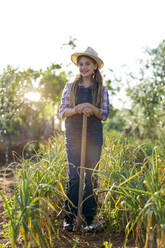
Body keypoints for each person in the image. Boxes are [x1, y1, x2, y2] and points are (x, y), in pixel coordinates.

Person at [59, 47, 110, 231]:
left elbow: (104, 114)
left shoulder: (101, 89)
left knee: (91, 176)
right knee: (74, 177)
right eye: (81, 64)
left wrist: (91, 107)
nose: (83, 67)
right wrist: (79, 108)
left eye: (87, 64)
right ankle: (70, 218)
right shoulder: (70, 87)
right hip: (73, 135)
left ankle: (89, 219)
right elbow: (63, 112)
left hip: (93, 136)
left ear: (95, 66)